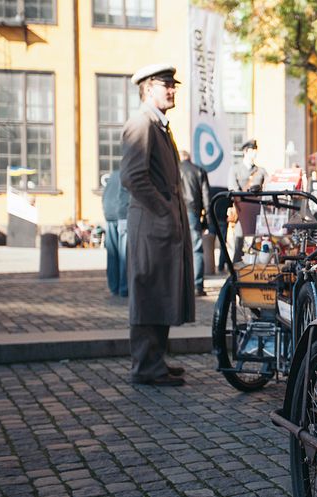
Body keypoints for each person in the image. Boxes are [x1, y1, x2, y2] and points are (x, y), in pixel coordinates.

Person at [120, 63, 194, 387]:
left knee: (162, 290)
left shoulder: (158, 125)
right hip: (151, 226)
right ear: (148, 88)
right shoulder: (142, 123)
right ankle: (146, 366)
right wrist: (163, 209)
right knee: (150, 290)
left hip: (159, 225)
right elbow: (132, 177)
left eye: (173, 85)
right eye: (167, 85)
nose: (172, 89)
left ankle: (155, 360)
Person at [227, 139, 268, 263]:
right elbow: (232, 189)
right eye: (252, 150)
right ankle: (236, 273)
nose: (254, 153)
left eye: (255, 150)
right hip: (241, 211)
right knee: (239, 242)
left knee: (258, 244)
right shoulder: (235, 169)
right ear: (245, 151)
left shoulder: (261, 171)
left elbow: (269, 186)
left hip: (258, 212)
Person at [179, 150, 211, 296]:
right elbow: (206, 198)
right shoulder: (199, 171)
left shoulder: (174, 169)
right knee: (197, 249)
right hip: (193, 212)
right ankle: (197, 286)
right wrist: (207, 221)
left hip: (176, 211)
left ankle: (180, 285)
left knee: (177, 249)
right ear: (189, 158)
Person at [102, 169, 129, 297]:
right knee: (124, 254)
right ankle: (124, 287)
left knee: (112, 253)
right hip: (123, 215)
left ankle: (114, 286)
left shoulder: (114, 175)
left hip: (109, 214)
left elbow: (105, 195)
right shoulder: (129, 174)